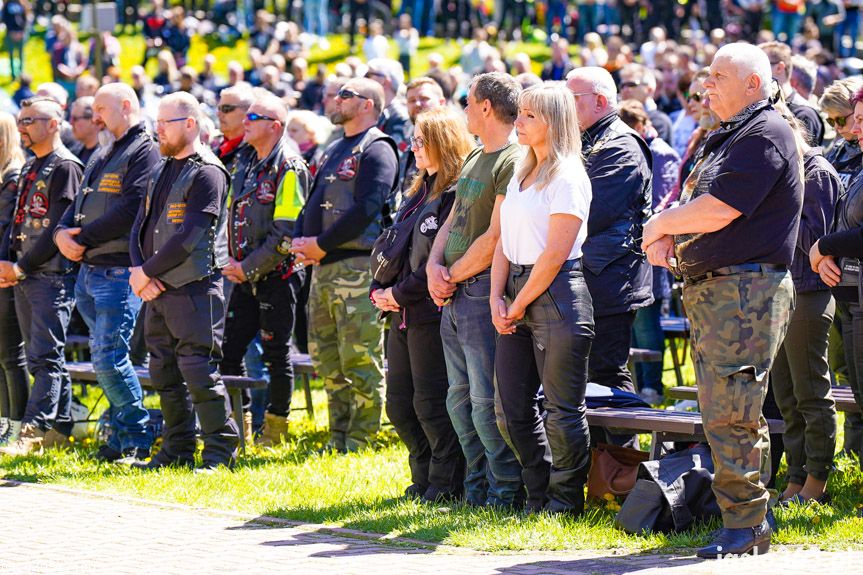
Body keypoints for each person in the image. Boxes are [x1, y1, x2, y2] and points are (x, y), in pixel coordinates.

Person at [642, 43, 803, 558]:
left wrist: (662, 225)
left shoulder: (766, 132)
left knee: (733, 411)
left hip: (745, 291)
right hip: (719, 289)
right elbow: (698, 205)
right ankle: (747, 515)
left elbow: (721, 209)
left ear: (753, 83)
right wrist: (670, 238)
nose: (704, 84)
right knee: (722, 411)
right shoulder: (729, 135)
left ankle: (747, 524)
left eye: (717, 75)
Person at [492, 82, 594, 515]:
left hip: (556, 295)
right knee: (510, 408)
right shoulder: (521, 172)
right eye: (520, 113)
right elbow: (501, 240)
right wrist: (497, 296)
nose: (519, 121)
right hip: (516, 289)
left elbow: (554, 255)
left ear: (553, 121)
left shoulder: (568, 175)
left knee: (562, 410)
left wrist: (515, 304)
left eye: (530, 115)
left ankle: (565, 501)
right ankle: (538, 493)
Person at [426, 72, 524, 507]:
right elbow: (454, 219)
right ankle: (475, 488)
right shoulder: (473, 158)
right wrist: (433, 264)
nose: (463, 110)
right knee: (457, 401)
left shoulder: (513, 158)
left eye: (468, 102)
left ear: (486, 107)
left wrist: (452, 274)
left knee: (486, 404)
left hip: (481, 290)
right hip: (454, 291)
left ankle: (504, 493)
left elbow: (496, 237)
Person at [129, 91, 239, 471]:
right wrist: (138, 271)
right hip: (157, 289)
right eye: (156, 123)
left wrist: (147, 272)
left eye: (165, 123)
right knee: (163, 372)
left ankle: (220, 452)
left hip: (194, 289)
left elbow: (191, 236)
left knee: (198, 370)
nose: (157, 130)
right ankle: (175, 450)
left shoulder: (208, 171)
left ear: (190, 124)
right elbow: (140, 226)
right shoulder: (161, 167)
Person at [53, 84, 160, 464]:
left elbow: (133, 207)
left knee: (108, 357)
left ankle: (138, 435)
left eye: (101, 109)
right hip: (90, 270)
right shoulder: (103, 151)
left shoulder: (145, 149)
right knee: (106, 358)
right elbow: (79, 202)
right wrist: (60, 233)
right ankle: (119, 437)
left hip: (117, 270)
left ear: (126, 106)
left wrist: (82, 238)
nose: (95, 117)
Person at [291, 78, 398, 453]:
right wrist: (303, 242)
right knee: (327, 357)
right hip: (323, 268)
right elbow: (314, 199)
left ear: (368, 104)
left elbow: (367, 208)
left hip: (355, 268)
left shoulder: (378, 148)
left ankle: (361, 438)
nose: (336, 99)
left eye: (346, 95)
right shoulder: (335, 147)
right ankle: (338, 436)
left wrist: (320, 244)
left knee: (359, 356)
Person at [370, 107, 471, 502]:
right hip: (398, 313)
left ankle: (446, 484)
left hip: (430, 311)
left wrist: (398, 294)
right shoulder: (416, 193)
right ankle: (423, 476)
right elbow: (395, 248)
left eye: (420, 141)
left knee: (431, 403)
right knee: (399, 404)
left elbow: (439, 261)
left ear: (442, 144)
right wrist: (382, 291)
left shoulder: (453, 194)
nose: (413, 148)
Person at [564, 67, 653, 429]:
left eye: (572, 100)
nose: (564, 108)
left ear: (600, 101)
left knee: (607, 378)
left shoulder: (621, 145)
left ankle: (621, 470)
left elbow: (590, 212)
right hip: (592, 277)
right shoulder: (586, 138)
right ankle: (599, 467)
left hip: (611, 280)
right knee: (586, 379)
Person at [220, 93, 310, 447]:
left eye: (253, 117)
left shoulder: (290, 166)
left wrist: (248, 267)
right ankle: (237, 427)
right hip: (244, 276)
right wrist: (235, 265)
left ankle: (275, 430)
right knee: (229, 350)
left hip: (277, 276)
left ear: (274, 126)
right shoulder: (246, 161)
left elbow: (285, 232)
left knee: (276, 353)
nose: (245, 121)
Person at [0, 98, 83, 456]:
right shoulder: (34, 166)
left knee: (45, 357)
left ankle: (32, 432)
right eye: (20, 120)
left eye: (30, 120)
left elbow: (57, 230)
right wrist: (8, 263)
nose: (23, 127)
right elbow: (18, 224)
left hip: (50, 276)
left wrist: (20, 267)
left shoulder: (66, 167)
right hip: (25, 275)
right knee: (42, 357)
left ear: (54, 124)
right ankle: (60, 431)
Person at [767, 105, 840, 506]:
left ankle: (817, 481)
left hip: (810, 292)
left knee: (811, 392)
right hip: (783, 291)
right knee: (786, 395)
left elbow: (815, 240)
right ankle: (795, 475)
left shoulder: (817, 173)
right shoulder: (790, 172)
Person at [618, 99, 681, 404]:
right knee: (631, 326)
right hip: (629, 253)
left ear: (643, 125)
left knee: (647, 323)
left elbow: (664, 201)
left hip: (652, 251)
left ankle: (652, 387)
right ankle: (634, 387)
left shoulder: (662, 154)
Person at [820, 77, 863, 455]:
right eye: (831, 121)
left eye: (843, 119)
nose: (842, 129)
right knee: (844, 366)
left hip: (853, 267)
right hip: (835, 274)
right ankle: (852, 453)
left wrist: (825, 247)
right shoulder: (835, 153)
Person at [0, 112, 28, 446]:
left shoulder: (13, 176)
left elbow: (6, 227)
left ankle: (17, 426)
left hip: (8, 273)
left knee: (11, 354)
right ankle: (4, 421)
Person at [760, 41, 825, 147]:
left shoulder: (805, 114)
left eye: (761, 64)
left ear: (779, 68)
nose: (756, 70)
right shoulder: (764, 105)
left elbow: (803, 159)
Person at [618, 63, 673, 144]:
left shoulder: (659, 121)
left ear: (649, 89)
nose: (625, 89)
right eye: (622, 85)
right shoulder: (616, 117)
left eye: (631, 84)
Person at [214, 84, 254, 172]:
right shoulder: (215, 144)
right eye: (219, 108)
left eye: (226, 108)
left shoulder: (257, 152)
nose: (219, 114)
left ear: (247, 112)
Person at [68, 97, 100, 166]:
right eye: (70, 118)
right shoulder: (74, 151)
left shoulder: (104, 155)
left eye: (75, 119)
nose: (70, 122)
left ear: (93, 120)